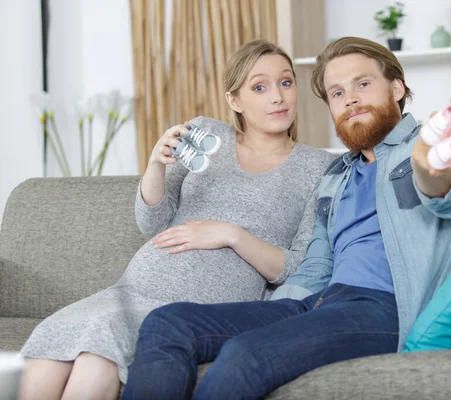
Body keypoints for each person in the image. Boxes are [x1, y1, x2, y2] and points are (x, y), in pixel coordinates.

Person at [123, 36, 451, 400]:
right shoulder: (335, 176)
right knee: (168, 323)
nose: (351, 99)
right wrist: (264, 314)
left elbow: (447, 195)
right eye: (337, 93)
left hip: (386, 308)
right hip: (319, 302)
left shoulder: (435, 142)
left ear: (395, 88)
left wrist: (430, 165)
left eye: (362, 84)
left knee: (246, 354)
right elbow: (314, 266)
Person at [18, 40, 334, 400]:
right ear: (234, 101)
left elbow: (300, 267)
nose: (277, 96)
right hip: (136, 286)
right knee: (48, 350)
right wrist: (155, 163)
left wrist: (231, 234)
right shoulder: (207, 135)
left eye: (286, 82)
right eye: (259, 87)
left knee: (96, 359)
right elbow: (152, 221)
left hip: (201, 307)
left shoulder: (318, 167)